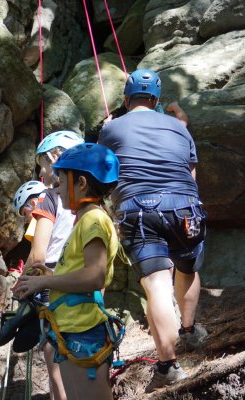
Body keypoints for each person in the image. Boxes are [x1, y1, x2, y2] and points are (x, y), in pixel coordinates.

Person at [98, 68, 208, 392]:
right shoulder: (180, 127)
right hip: (185, 206)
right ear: (157, 99)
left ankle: (169, 366)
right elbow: (191, 176)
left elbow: (104, 173)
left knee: (157, 283)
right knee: (186, 267)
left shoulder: (112, 127)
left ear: (126, 99)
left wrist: (107, 132)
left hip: (138, 210)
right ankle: (189, 330)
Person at [13, 143, 121, 400]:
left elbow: (94, 276)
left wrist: (43, 284)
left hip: (84, 332)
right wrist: (49, 277)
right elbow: (80, 271)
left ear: (81, 182)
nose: (56, 190)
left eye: (60, 182)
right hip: (71, 329)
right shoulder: (84, 219)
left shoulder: (93, 220)